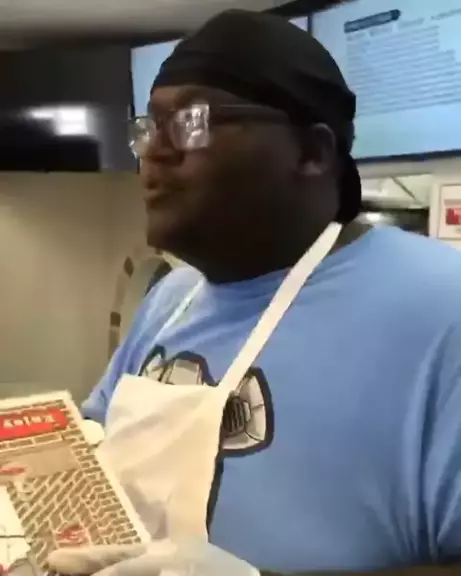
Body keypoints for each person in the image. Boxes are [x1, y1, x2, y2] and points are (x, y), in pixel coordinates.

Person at [49, 9, 461, 576]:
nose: (153, 152)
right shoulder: (169, 301)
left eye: (190, 122)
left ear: (311, 152)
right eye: (149, 127)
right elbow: (92, 451)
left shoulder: (439, 309)